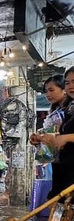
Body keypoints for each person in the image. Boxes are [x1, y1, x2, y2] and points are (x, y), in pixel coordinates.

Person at [32, 68, 74, 198]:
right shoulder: (69, 110)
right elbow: (59, 136)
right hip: (63, 165)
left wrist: (66, 138)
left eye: (51, 90)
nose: (71, 86)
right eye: (68, 83)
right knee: (57, 202)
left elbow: (63, 137)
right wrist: (40, 138)